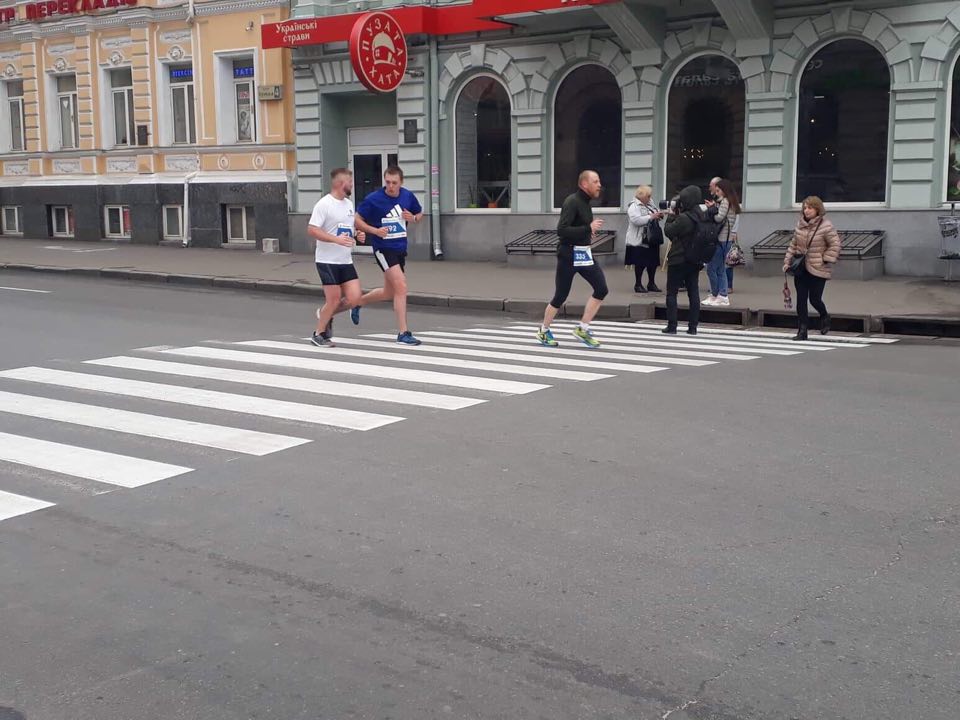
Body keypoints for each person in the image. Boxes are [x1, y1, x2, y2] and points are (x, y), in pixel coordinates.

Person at [352, 165, 424, 346]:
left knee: (389, 292)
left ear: (401, 182)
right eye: (388, 182)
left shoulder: (407, 196)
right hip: (383, 249)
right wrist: (374, 231)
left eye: (394, 183)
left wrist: (413, 218)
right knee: (401, 286)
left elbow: (419, 212)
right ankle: (403, 333)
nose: (391, 186)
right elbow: (357, 219)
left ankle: (358, 301)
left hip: (400, 248)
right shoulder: (374, 199)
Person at [536, 170, 608, 348]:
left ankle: (582, 328)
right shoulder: (572, 201)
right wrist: (587, 228)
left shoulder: (586, 202)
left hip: (583, 253)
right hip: (568, 254)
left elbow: (580, 228)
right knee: (560, 296)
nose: (599, 185)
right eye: (595, 181)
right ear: (584, 184)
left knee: (601, 289)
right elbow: (562, 230)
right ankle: (543, 331)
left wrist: (588, 233)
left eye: (599, 181)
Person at [308, 168, 365, 348]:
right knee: (333, 299)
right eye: (350, 181)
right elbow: (312, 229)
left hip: (345, 260)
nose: (352, 185)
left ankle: (325, 312)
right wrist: (336, 239)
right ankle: (318, 334)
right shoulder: (324, 204)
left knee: (355, 298)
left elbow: (347, 227)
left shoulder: (349, 204)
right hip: (327, 261)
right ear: (341, 183)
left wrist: (357, 234)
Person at [782, 196, 841, 340]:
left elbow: (835, 244)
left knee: (815, 299)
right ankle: (802, 330)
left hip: (818, 268)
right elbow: (793, 245)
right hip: (801, 268)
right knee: (801, 300)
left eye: (810, 207)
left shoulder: (826, 226)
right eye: (805, 207)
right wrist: (787, 262)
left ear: (817, 209)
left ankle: (824, 316)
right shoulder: (800, 225)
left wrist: (826, 258)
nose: (806, 210)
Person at [662, 185, 705, 335]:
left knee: (672, 292)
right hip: (695, 259)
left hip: (678, 259)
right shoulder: (702, 216)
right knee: (693, 292)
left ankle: (672, 326)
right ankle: (693, 327)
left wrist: (671, 215)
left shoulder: (683, 218)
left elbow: (669, 231)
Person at [703, 178, 741, 307]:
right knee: (719, 268)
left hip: (721, 238)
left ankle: (720, 294)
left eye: (718, 190)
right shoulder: (730, 202)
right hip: (725, 239)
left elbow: (719, 218)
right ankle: (719, 294)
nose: (716, 192)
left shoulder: (725, 202)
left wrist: (712, 209)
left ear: (724, 190)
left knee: (712, 268)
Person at [625, 185, 664, 293]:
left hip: (651, 238)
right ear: (641, 196)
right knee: (640, 263)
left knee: (653, 262)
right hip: (639, 239)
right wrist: (651, 217)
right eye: (648, 195)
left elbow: (654, 213)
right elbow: (636, 220)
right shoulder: (633, 206)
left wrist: (659, 215)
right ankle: (638, 284)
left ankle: (651, 283)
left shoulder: (650, 203)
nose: (650, 197)